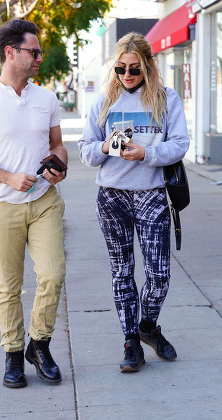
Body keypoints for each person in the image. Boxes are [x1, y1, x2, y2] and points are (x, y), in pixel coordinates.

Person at [0, 19, 68, 388]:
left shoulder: (46, 98)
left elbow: (57, 145)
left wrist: (59, 166)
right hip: (3, 206)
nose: (39, 57)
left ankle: (39, 345)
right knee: (9, 286)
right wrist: (8, 177)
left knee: (52, 274)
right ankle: (12, 355)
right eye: (33, 52)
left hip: (44, 201)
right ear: (11, 52)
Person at [78, 32, 189, 372]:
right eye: (120, 69)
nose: (127, 76)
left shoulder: (166, 99)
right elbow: (85, 151)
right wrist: (103, 146)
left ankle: (147, 327)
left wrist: (146, 153)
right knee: (122, 273)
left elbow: (180, 143)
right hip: (112, 196)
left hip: (151, 193)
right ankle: (131, 343)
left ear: (147, 66)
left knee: (159, 275)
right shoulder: (102, 102)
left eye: (134, 69)